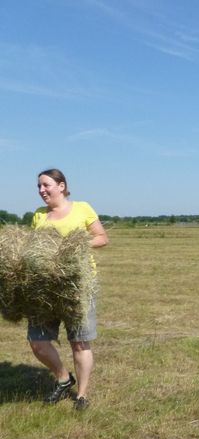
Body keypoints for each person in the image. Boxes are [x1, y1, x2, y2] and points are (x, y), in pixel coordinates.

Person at [28, 168, 108, 410]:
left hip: (78, 285)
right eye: (39, 186)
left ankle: (81, 396)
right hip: (46, 288)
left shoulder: (82, 208)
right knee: (38, 342)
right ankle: (64, 378)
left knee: (79, 342)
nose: (42, 190)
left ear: (61, 186)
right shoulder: (39, 216)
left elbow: (102, 238)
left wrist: (73, 246)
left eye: (46, 185)